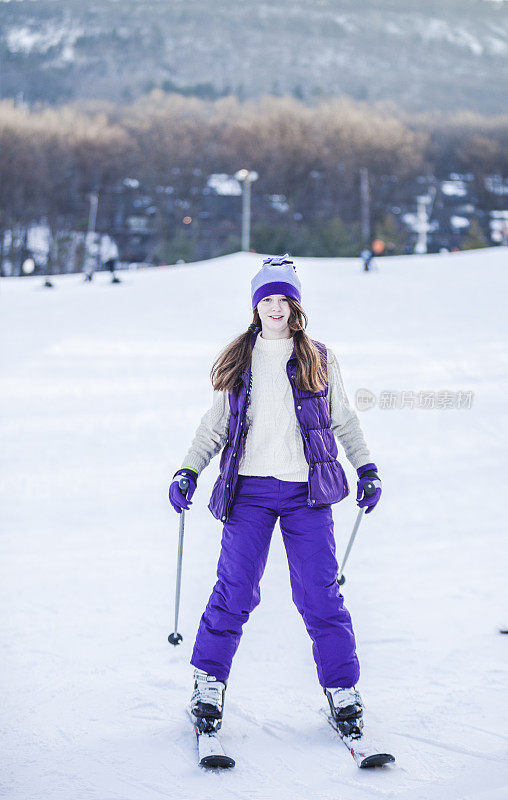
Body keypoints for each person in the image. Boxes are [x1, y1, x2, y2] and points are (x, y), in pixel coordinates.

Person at [168, 254, 382, 736]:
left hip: (307, 493)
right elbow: (216, 424)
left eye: (284, 299)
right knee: (235, 590)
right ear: (255, 305)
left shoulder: (318, 357)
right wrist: (188, 469)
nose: (276, 307)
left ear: (296, 305)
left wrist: (366, 467)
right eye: (268, 298)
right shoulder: (240, 358)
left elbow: (342, 419)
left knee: (320, 596)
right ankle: (208, 684)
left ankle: (342, 690)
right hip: (250, 493)